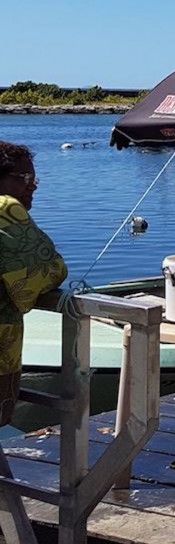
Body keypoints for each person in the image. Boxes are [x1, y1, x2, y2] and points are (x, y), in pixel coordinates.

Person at [0, 142, 67, 426]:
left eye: (34, 178)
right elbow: (49, 270)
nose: (33, 186)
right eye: (24, 178)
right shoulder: (6, 209)